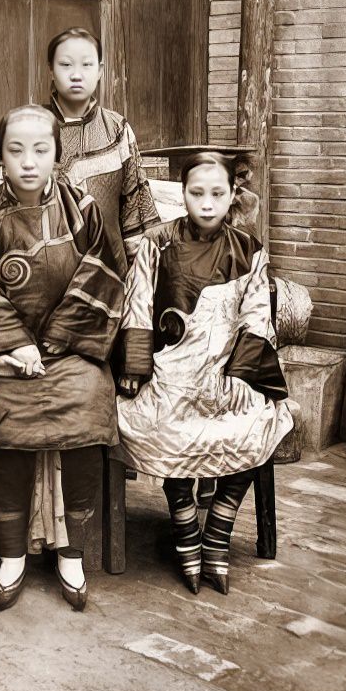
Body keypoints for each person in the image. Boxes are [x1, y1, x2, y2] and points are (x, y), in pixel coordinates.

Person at [0, 105, 125, 613]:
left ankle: (71, 551)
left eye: (40, 149)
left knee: (90, 401)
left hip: (69, 348)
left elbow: (104, 272)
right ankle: (11, 554)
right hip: (6, 355)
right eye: (14, 150)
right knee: (2, 409)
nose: (28, 161)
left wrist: (54, 339)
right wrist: (10, 345)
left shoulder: (84, 209)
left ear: (58, 153)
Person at [117, 151, 293, 595]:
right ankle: (184, 528)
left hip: (229, 368)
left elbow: (256, 318)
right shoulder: (157, 243)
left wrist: (241, 375)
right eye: (197, 193)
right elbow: (137, 304)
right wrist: (137, 370)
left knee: (258, 420)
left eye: (218, 193)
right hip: (171, 369)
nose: (208, 203)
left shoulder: (249, 250)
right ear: (183, 195)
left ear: (232, 194)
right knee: (156, 423)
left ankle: (218, 528)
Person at [45, 27, 160, 276]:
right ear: (51, 71)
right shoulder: (31, 125)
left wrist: (139, 280)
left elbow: (135, 209)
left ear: (100, 71)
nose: (76, 74)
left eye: (86, 65)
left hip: (110, 273)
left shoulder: (116, 128)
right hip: (48, 274)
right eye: (65, 65)